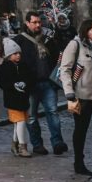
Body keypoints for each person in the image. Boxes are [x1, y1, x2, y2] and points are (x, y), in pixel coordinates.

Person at [16, 10, 67, 155]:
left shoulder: (48, 39)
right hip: (30, 85)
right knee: (31, 117)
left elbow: (58, 57)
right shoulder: (20, 40)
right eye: (34, 22)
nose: (38, 25)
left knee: (52, 112)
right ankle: (37, 145)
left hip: (48, 83)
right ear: (27, 23)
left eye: (39, 22)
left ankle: (57, 142)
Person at [60, 18, 92, 176]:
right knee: (81, 130)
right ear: (86, 31)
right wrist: (69, 92)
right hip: (82, 95)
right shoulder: (76, 45)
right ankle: (79, 163)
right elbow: (65, 68)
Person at [0, 38, 32, 158]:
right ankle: (22, 147)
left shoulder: (23, 65)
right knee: (21, 122)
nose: (18, 56)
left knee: (19, 124)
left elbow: (29, 78)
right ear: (9, 55)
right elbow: (2, 83)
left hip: (23, 99)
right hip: (12, 100)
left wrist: (25, 83)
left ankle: (15, 144)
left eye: (19, 53)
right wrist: (13, 85)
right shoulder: (4, 67)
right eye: (15, 54)